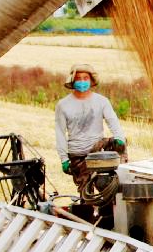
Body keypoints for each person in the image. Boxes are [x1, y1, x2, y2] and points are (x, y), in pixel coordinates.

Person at [54, 64, 127, 196]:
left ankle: (107, 214)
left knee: (106, 187)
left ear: (91, 80)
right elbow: (60, 132)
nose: (82, 82)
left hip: (98, 152)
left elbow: (112, 120)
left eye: (85, 78)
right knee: (86, 193)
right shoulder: (63, 105)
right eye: (78, 79)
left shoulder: (101, 101)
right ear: (72, 80)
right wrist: (64, 158)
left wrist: (120, 138)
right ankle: (87, 213)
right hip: (77, 154)